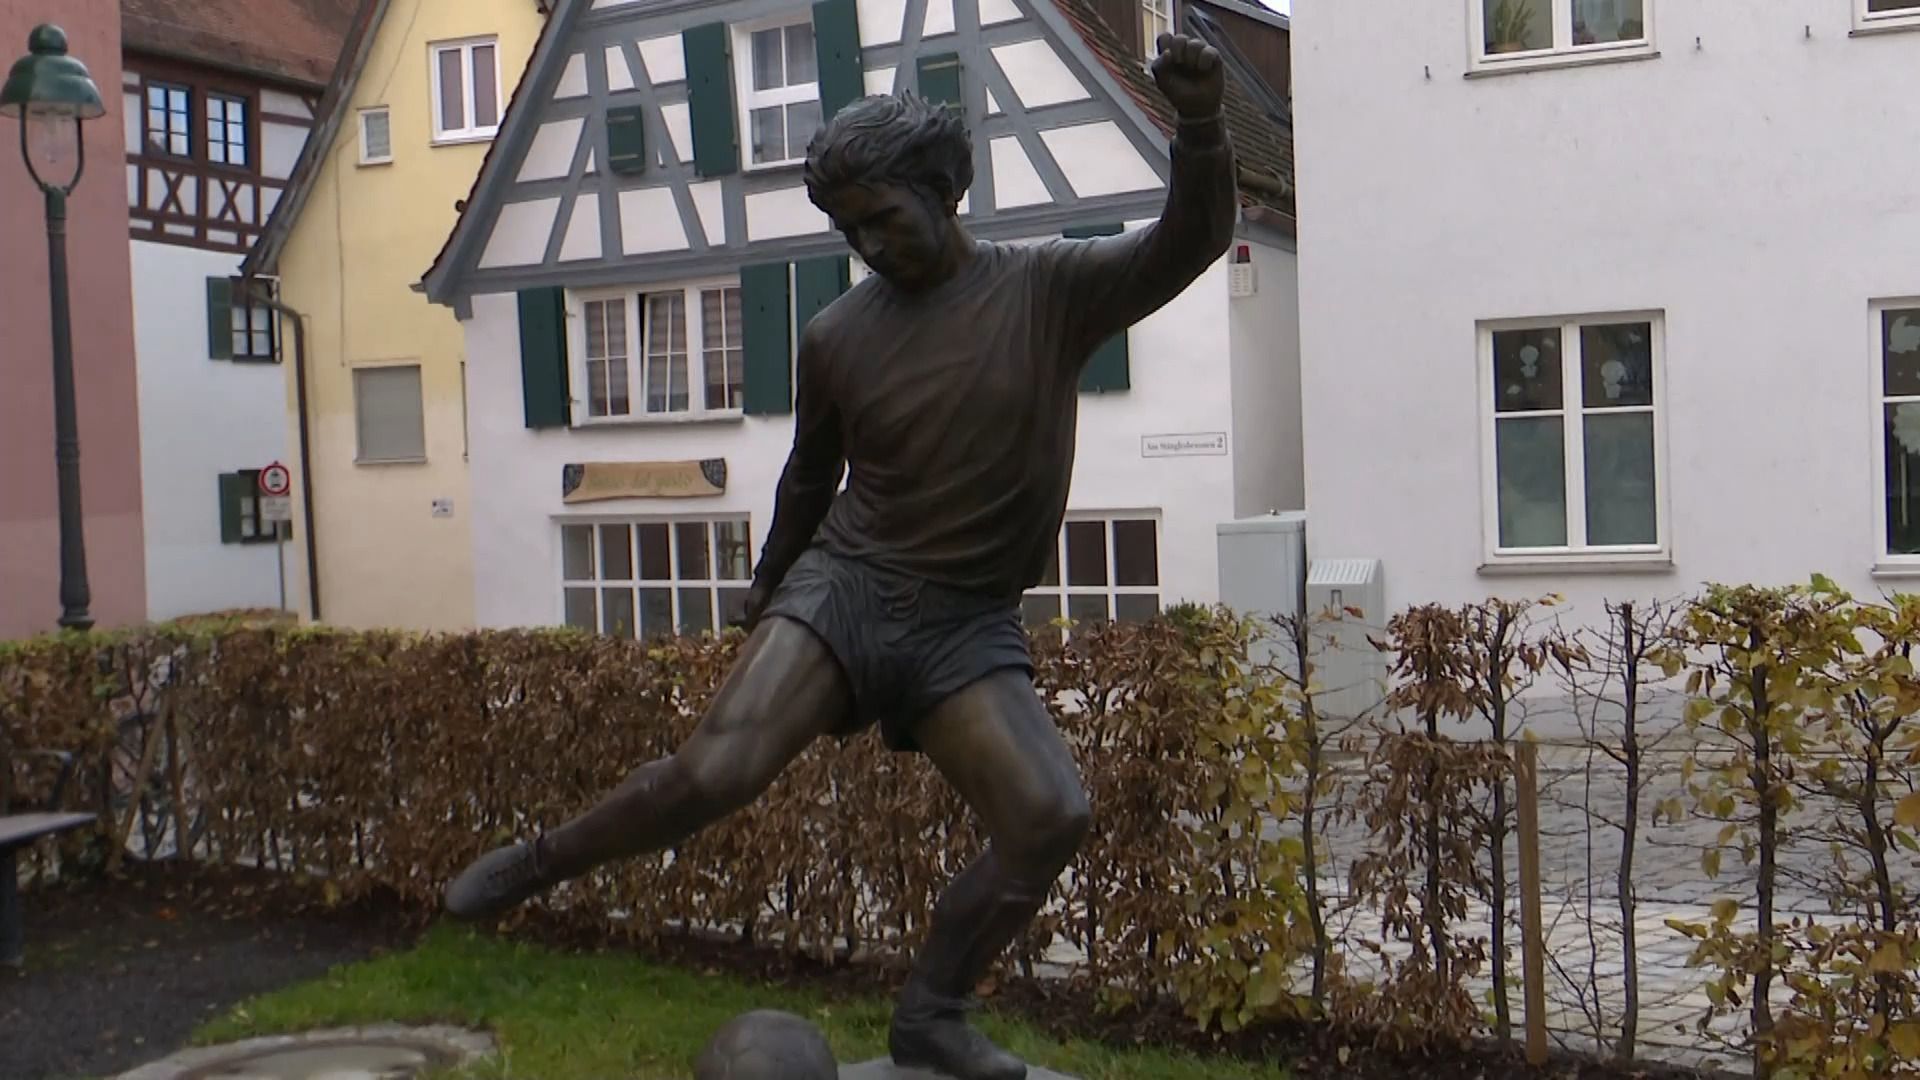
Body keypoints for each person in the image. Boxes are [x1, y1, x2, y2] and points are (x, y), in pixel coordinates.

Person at [444, 32, 1238, 1080]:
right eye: (849, 229)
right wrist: (772, 586)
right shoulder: (835, 337)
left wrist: (1201, 126)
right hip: (849, 587)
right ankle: (535, 865)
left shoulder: (1048, 293)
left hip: (964, 622)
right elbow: (810, 477)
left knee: (1049, 816)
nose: (868, 245)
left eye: (884, 219)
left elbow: (1185, 244)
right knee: (714, 771)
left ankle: (933, 1017)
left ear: (944, 192)